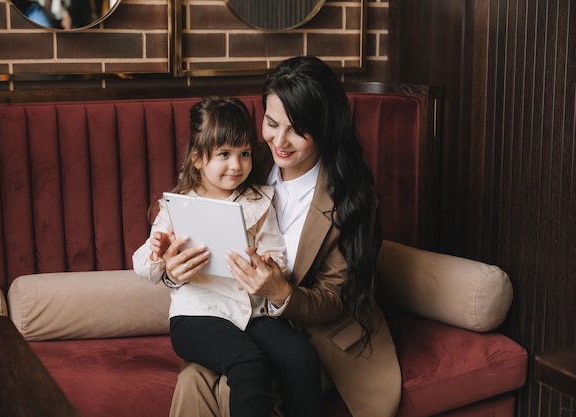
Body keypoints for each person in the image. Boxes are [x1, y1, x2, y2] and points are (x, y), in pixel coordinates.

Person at [164, 56, 402, 417]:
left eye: (296, 130)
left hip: (314, 336)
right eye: (271, 123)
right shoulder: (245, 164)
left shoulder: (352, 198)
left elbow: (334, 299)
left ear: (324, 128)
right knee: (195, 380)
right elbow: (186, 213)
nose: (279, 141)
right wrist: (171, 269)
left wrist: (280, 292)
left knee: (240, 384)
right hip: (237, 321)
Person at [132, 96, 322, 417]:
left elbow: (276, 253)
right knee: (249, 362)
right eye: (224, 154)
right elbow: (143, 266)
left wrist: (266, 268)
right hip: (197, 317)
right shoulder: (177, 206)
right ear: (197, 158)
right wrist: (160, 256)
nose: (236, 165)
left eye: (244, 153)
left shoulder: (259, 202)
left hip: (252, 314)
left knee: (301, 355)